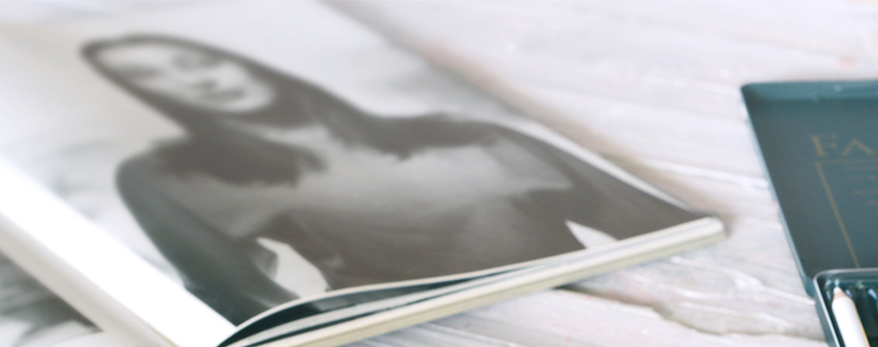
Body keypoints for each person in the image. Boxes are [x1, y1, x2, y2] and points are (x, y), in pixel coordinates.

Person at [80, 35, 698, 323]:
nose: (196, 81)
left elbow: (661, 235)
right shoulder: (172, 180)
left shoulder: (475, 136)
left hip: (577, 319)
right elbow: (240, 302)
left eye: (193, 60)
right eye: (154, 80)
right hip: (390, 341)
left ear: (235, 58)